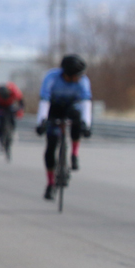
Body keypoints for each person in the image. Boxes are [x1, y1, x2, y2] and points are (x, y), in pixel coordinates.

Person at [35, 55, 93, 199]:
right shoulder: (51, 78)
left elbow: (86, 103)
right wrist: (41, 121)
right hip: (54, 107)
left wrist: (86, 124)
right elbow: (44, 101)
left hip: (72, 107)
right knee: (51, 146)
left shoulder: (83, 81)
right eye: (78, 75)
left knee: (77, 119)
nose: (81, 78)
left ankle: (74, 153)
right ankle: (50, 183)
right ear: (68, 74)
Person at [0, 81, 25, 151]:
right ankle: (0, 139)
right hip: (0, 106)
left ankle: (12, 131)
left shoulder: (14, 90)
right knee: (0, 122)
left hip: (10, 105)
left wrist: (20, 111)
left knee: (12, 118)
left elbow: (21, 102)